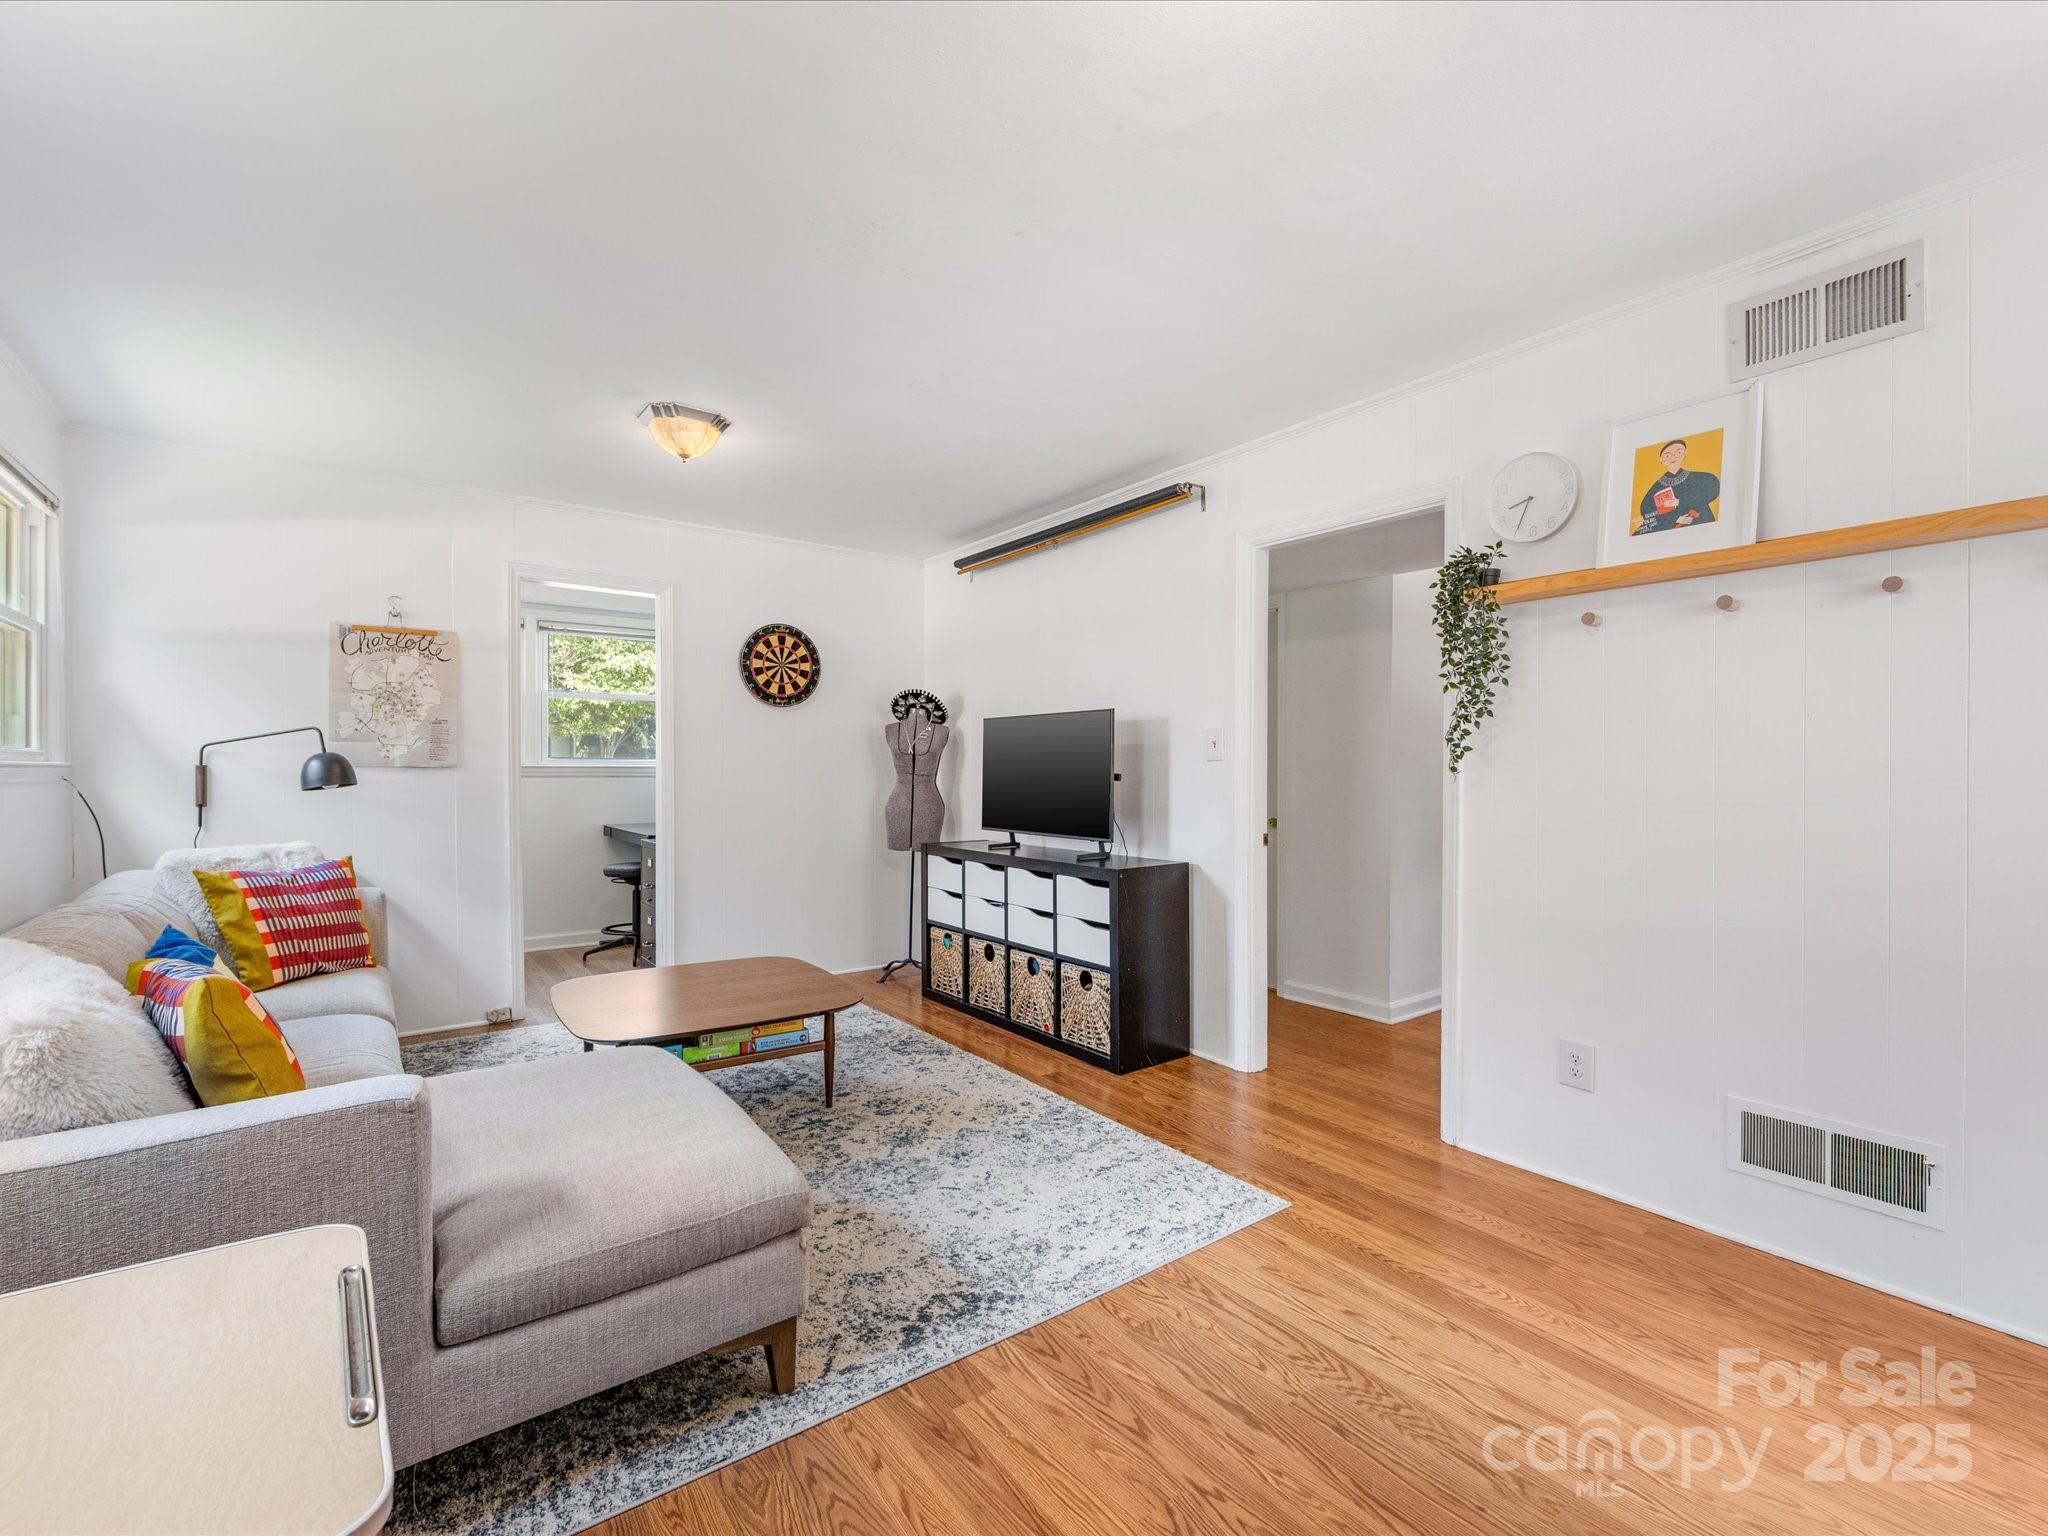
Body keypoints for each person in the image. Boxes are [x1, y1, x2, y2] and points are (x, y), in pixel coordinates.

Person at [1636, 438, 1720, 535]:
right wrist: (1675, 518)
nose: (1673, 458)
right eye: (1667, 455)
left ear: (1685, 453)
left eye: (1678, 452)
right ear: (1661, 460)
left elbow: (1713, 487)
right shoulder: (1657, 487)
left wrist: (1679, 502)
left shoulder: (1699, 478)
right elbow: (1647, 512)